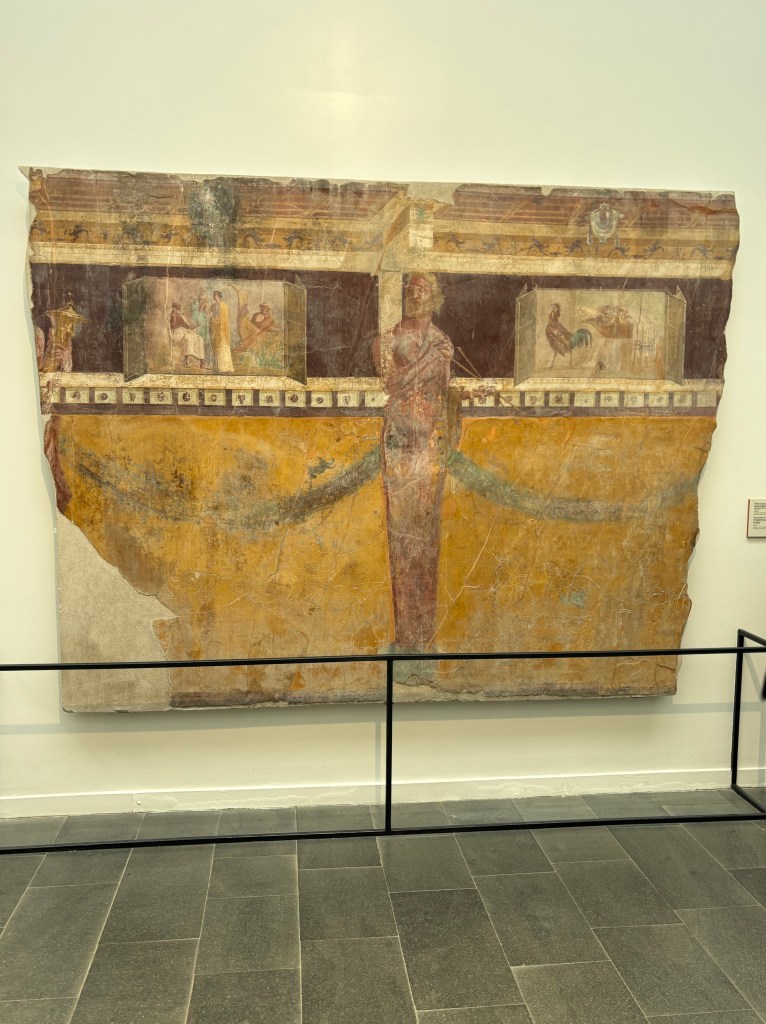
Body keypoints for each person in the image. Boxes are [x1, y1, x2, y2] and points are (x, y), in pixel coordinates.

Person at [373, 272, 455, 650]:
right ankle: (406, 635)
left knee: (426, 535)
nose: (416, 293)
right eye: (412, 287)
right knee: (401, 533)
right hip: (399, 442)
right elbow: (392, 384)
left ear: (434, 296)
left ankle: (423, 636)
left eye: (424, 288)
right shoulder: (387, 340)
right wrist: (428, 362)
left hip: (429, 445)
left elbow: (442, 393)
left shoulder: (442, 343)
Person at [168, 302, 205, 369]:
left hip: (185, 331)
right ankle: (185, 360)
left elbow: (188, 326)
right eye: (175, 308)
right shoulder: (172, 316)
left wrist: (196, 326)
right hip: (177, 333)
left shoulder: (182, 316)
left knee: (199, 338)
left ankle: (202, 361)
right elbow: (172, 326)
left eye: (177, 309)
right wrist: (173, 315)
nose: (177, 310)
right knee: (189, 338)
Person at [210, 290, 234, 372]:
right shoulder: (212, 305)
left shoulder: (224, 305)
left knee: (222, 347)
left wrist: (218, 320)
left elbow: (225, 318)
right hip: (214, 328)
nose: (215, 297)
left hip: (222, 329)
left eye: (216, 295)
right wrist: (212, 318)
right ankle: (216, 367)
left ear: (219, 296)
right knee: (215, 347)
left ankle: (224, 367)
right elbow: (211, 315)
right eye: (214, 295)